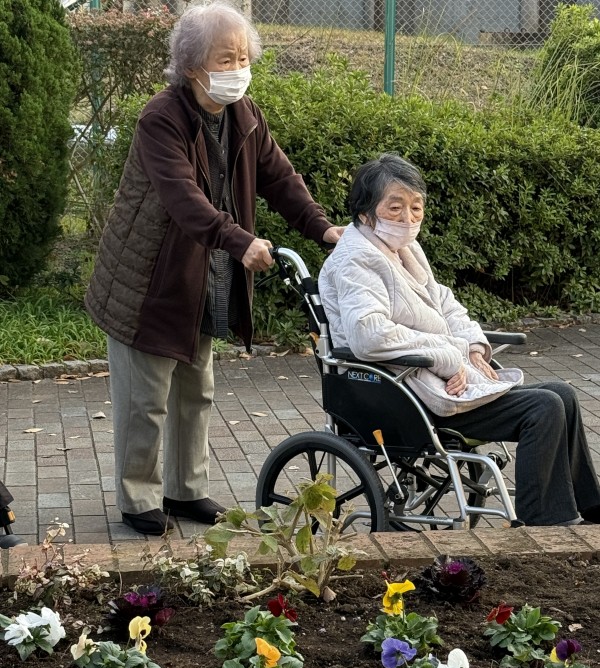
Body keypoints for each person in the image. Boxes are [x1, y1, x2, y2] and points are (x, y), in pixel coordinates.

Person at [85, 1, 343, 535]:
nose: (238, 68)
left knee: (195, 390)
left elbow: (280, 179)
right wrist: (239, 240)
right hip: (148, 281)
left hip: (203, 278)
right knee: (145, 400)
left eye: (244, 57)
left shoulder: (245, 114)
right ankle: (138, 498)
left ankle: (186, 490)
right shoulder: (161, 118)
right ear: (191, 65)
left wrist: (322, 228)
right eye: (226, 58)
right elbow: (183, 198)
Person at [318, 153, 600, 527]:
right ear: (365, 213)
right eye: (395, 207)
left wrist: (474, 346)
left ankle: (591, 508)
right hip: (405, 391)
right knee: (543, 407)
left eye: (416, 207)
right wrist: (448, 357)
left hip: (435, 378)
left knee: (562, 394)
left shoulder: (402, 249)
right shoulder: (356, 259)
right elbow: (369, 335)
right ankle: (544, 523)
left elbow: (444, 303)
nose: (408, 218)